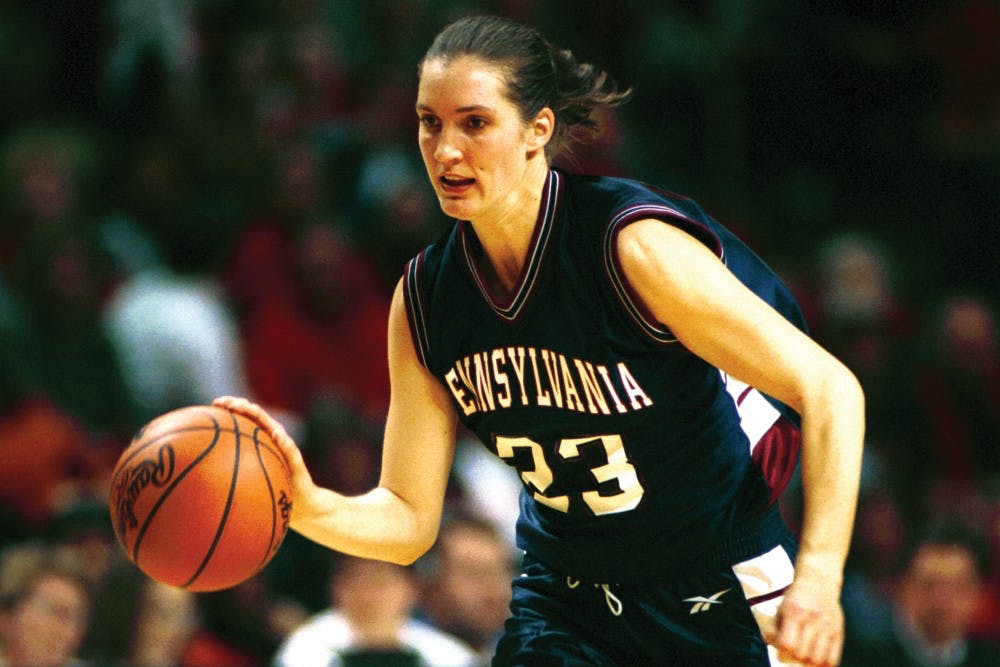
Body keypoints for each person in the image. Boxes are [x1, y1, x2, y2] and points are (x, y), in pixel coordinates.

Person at [218, 14, 865, 666]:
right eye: (429, 122)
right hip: (568, 597)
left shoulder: (628, 249)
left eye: (474, 123)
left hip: (719, 581)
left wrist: (818, 576)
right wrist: (305, 504)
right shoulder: (425, 300)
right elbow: (410, 520)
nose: (445, 150)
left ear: (538, 130)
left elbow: (832, 388)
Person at [842, 521, 1000, 667]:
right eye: (929, 585)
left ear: (976, 593)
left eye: (958, 587)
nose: (942, 602)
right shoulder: (864, 659)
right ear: (902, 588)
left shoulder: (992, 660)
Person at [273, 555, 478, 667]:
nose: (368, 594)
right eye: (356, 579)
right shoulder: (304, 652)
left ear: (413, 587)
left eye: (381, 581)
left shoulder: (448, 656)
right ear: (336, 586)